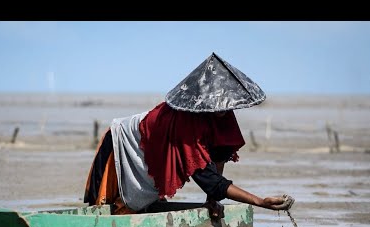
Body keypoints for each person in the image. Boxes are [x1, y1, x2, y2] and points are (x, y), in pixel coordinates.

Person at [84, 52, 294, 217]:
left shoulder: (224, 115)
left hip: (156, 146)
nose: (220, 109)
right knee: (117, 206)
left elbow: (219, 156)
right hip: (124, 144)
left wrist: (212, 200)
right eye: (215, 105)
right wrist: (259, 201)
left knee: (145, 202)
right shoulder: (186, 125)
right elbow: (209, 179)